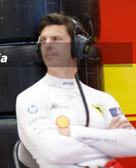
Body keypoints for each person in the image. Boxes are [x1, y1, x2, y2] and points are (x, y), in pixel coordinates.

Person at [16, 13, 136, 168]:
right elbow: (55, 151)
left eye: (56, 39)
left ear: (77, 46)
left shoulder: (102, 99)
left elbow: (132, 143)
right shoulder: (30, 97)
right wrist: (110, 142)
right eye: (43, 40)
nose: (47, 45)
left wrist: (74, 133)